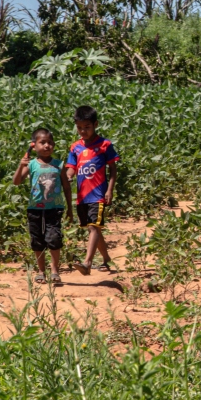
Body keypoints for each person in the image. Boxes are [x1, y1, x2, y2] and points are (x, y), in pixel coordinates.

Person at [12, 127, 73, 284]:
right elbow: (16, 182)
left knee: (54, 239)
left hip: (55, 208)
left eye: (50, 143)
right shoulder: (31, 164)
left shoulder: (59, 164)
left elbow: (67, 187)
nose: (47, 146)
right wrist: (20, 166)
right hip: (35, 209)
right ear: (34, 145)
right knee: (37, 240)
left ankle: (54, 271)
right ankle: (41, 271)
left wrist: (70, 209)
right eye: (42, 142)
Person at [66, 105, 120, 275]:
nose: (83, 131)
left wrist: (109, 191)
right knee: (93, 228)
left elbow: (113, 171)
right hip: (82, 195)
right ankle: (106, 260)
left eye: (87, 127)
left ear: (96, 124)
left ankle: (87, 263)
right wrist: (68, 176)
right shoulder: (75, 147)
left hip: (98, 194)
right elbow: (71, 168)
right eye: (80, 128)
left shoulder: (105, 145)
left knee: (94, 227)